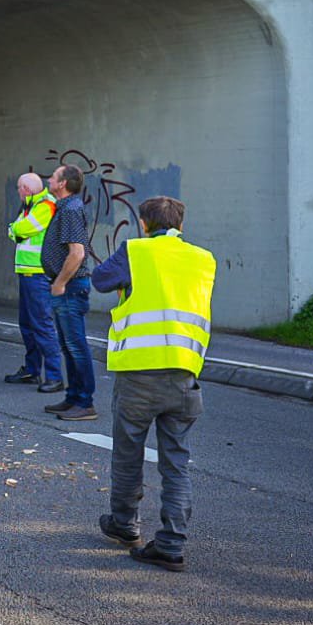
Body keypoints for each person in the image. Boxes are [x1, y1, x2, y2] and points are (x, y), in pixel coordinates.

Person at [92, 196, 215, 572]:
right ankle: (172, 543)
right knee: (176, 461)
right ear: (181, 223)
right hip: (184, 373)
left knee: (128, 453)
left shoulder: (136, 251)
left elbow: (100, 281)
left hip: (139, 374)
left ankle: (125, 524)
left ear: (144, 223)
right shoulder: (203, 259)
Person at [41, 164, 94, 416]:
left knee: (75, 346)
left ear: (62, 183)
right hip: (66, 286)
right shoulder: (64, 208)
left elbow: (77, 253)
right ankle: (73, 397)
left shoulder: (71, 209)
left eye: (53, 176)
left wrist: (60, 282)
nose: (49, 179)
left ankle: (84, 402)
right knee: (68, 345)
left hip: (70, 287)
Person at [5, 173, 61, 387]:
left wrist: (16, 229)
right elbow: (15, 230)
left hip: (38, 274)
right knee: (28, 324)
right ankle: (32, 370)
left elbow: (20, 229)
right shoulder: (31, 206)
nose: (18, 191)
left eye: (19, 188)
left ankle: (54, 376)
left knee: (42, 325)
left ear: (26, 189)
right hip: (28, 273)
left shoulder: (46, 205)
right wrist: (16, 230)